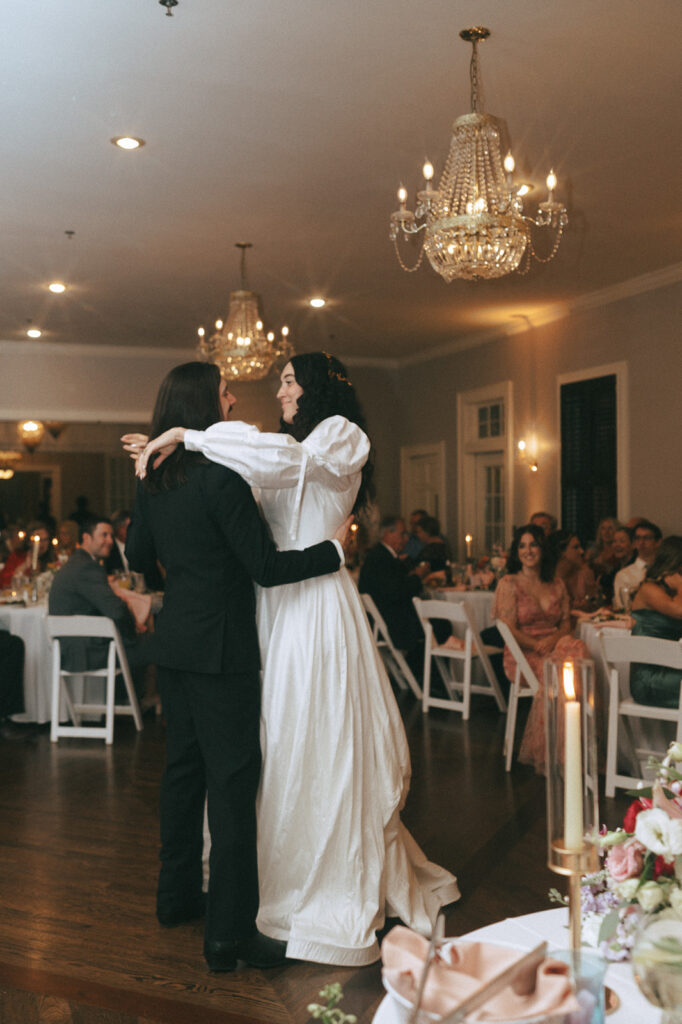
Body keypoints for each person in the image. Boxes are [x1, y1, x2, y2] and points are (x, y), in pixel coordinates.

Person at [130, 352, 459, 967]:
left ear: (318, 387)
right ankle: (240, 913)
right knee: (261, 754)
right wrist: (176, 448)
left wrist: (177, 442)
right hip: (265, 611)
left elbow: (153, 553)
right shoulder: (252, 459)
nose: (271, 390)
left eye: (286, 379)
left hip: (309, 612)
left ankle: (277, 882)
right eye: (233, 390)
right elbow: (251, 535)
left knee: (301, 742)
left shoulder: (340, 437)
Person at [124, 361, 349, 974]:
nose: (232, 399)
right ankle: (228, 936)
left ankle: (175, 900)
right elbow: (267, 568)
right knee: (230, 790)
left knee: (181, 776)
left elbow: (140, 557)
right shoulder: (222, 479)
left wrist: (145, 479)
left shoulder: (154, 478)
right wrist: (332, 552)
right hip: (222, 653)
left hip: (175, 648)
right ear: (201, 403)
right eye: (223, 391)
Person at [493, 524, 587, 774]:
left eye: (533, 544)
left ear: (542, 549)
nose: (528, 550)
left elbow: (567, 622)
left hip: (554, 644)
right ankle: (555, 754)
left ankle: (577, 747)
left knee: (577, 656)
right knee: (561, 670)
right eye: (522, 545)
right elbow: (508, 629)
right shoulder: (509, 583)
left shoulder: (556, 583)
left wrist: (555, 639)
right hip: (523, 654)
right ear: (517, 552)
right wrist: (537, 644)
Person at [48, 515, 147, 675]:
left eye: (111, 536)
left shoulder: (77, 563)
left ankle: (136, 696)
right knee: (157, 645)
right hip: (86, 653)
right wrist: (134, 630)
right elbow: (116, 610)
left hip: (74, 650)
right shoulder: (86, 567)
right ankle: (145, 698)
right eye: (104, 535)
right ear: (87, 537)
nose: (110, 541)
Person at [358, 514, 429, 677]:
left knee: (435, 624)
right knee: (440, 626)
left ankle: (418, 676)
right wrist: (418, 577)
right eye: (403, 534)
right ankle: (425, 680)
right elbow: (397, 591)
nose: (406, 539)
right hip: (394, 622)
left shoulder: (381, 555)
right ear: (388, 534)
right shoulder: (381, 558)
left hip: (384, 618)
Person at [629, 537, 682, 707]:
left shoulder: (672, 593)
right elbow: (679, 611)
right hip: (649, 680)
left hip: (673, 670)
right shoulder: (649, 589)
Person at [613, 519, 662, 610]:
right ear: (634, 543)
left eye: (646, 538)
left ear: (658, 542)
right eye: (638, 538)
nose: (641, 542)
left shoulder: (666, 569)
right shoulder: (624, 575)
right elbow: (622, 607)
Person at [553, 532, 599, 610]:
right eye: (576, 547)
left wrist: (588, 604)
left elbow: (595, 604)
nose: (582, 551)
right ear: (561, 552)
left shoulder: (584, 575)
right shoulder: (547, 579)